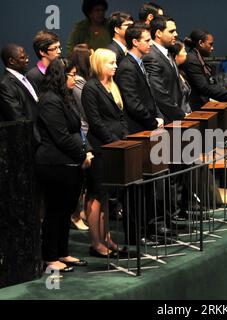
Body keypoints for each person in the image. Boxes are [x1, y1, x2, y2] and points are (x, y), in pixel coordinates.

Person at [35, 58, 92, 272]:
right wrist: (82, 155)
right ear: (61, 75)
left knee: (65, 210)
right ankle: (50, 257)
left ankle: (62, 252)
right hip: (54, 164)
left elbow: (76, 130)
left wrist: (85, 151)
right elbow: (61, 137)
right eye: (72, 75)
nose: (75, 78)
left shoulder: (64, 98)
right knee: (55, 211)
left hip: (69, 164)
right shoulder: (49, 100)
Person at [82, 48, 128, 257]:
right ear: (101, 64)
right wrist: (113, 142)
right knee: (96, 194)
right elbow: (95, 121)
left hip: (115, 146)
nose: (115, 66)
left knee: (107, 194)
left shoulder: (112, 85)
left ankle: (106, 238)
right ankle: (96, 243)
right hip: (101, 148)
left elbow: (120, 117)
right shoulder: (91, 88)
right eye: (111, 63)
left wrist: (125, 138)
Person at [116, 23, 164, 134]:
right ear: (135, 42)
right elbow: (133, 104)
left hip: (148, 125)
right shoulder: (127, 67)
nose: (151, 43)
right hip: (138, 129)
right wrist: (153, 122)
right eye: (147, 40)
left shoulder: (139, 62)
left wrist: (158, 116)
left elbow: (149, 96)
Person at [183, 29, 227, 110]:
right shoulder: (192, 60)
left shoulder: (198, 58)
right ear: (201, 43)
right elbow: (204, 87)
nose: (212, 48)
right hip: (194, 109)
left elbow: (211, 84)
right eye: (210, 44)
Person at [143, 16, 186, 123]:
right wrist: (180, 114)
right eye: (171, 31)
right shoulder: (151, 56)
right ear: (158, 33)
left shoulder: (167, 52)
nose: (176, 34)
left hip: (176, 116)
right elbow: (158, 92)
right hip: (167, 119)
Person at [70, 43, 94, 231]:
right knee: (81, 177)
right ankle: (76, 214)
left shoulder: (84, 79)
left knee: (86, 180)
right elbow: (85, 108)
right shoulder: (78, 81)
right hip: (84, 130)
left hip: (86, 129)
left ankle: (83, 212)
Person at [0, 44, 39, 143]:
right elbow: (18, 118)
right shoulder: (5, 85)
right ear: (11, 61)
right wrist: (37, 139)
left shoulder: (28, 77)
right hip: (30, 141)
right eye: (22, 58)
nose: (27, 60)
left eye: (26, 57)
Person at [170, 40, 192, 114]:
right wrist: (181, 115)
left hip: (187, 116)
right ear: (175, 56)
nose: (186, 53)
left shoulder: (180, 72)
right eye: (183, 51)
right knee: (177, 126)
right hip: (178, 119)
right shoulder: (171, 74)